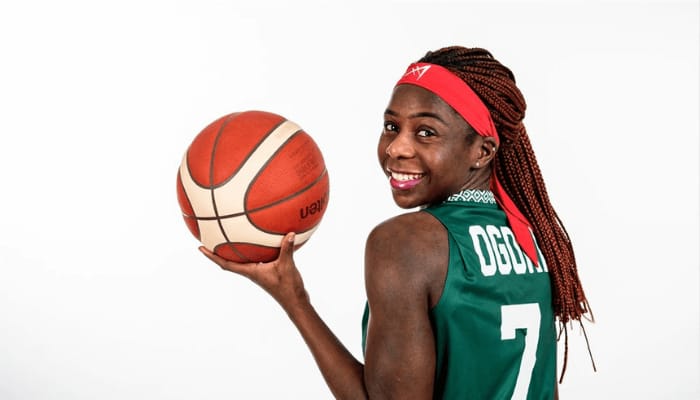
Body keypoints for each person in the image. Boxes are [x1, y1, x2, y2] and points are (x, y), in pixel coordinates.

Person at [200, 46, 593, 399]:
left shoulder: (406, 243)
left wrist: (294, 298)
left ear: (482, 151)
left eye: (426, 132)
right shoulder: (533, 237)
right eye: (392, 126)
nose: (396, 148)